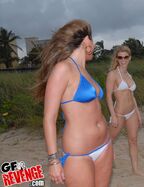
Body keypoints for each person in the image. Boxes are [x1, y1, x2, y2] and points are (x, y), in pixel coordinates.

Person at [34, 19, 113, 187]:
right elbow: (49, 118)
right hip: (79, 154)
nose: (94, 43)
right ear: (86, 40)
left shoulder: (85, 71)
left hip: (104, 146)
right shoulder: (63, 69)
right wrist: (53, 161)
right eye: (92, 39)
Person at [105, 45, 142, 175]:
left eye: (125, 57)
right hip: (119, 113)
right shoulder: (113, 74)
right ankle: (107, 160)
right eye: (120, 57)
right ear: (117, 58)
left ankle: (136, 170)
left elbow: (132, 96)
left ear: (130, 58)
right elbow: (108, 96)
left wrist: (138, 113)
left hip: (132, 112)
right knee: (108, 140)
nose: (123, 59)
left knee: (133, 140)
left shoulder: (129, 75)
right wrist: (113, 115)